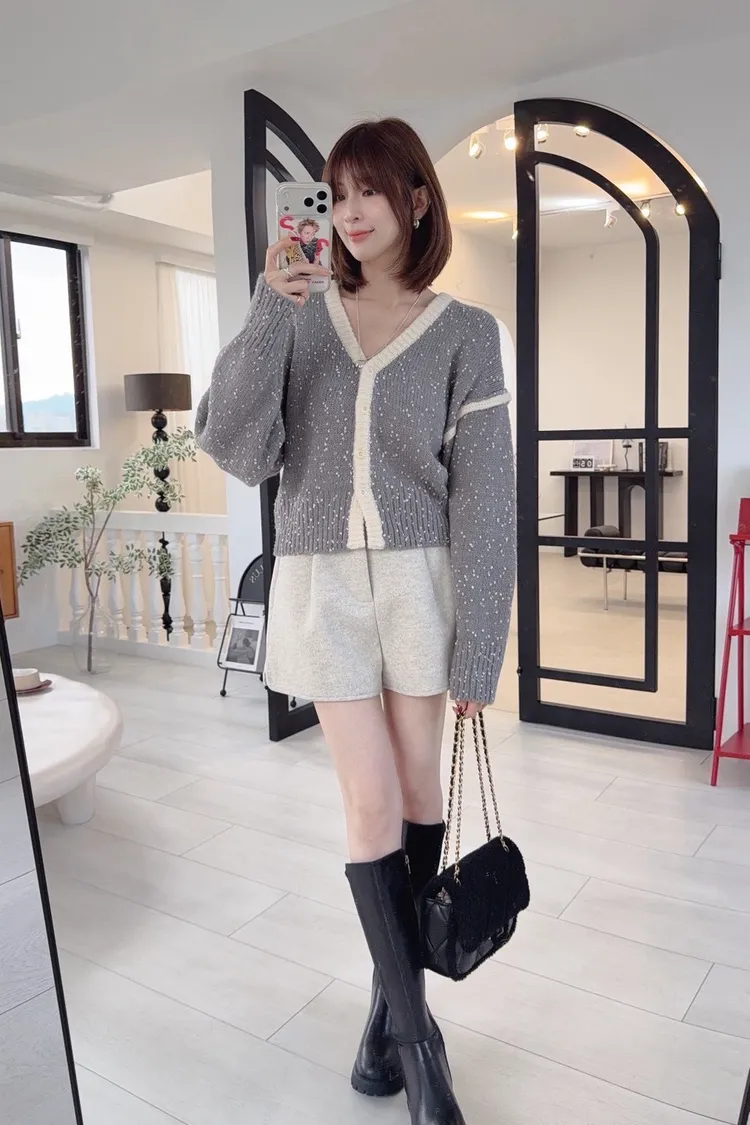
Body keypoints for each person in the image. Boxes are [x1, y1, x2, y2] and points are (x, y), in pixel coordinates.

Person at [195, 117, 516, 1125]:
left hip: (422, 585)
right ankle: (421, 1051)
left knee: (419, 795)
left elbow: (485, 496)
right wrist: (267, 310)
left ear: (416, 198)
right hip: (323, 588)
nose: (350, 211)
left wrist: (481, 641)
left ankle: (387, 1002)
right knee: (371, 804)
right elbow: (235, 447)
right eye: (335, 193)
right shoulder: (295, 317)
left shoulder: (466, 332)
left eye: (370, 188)